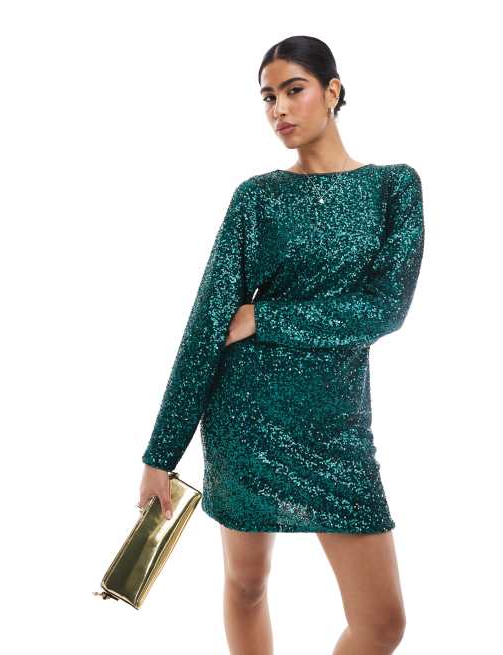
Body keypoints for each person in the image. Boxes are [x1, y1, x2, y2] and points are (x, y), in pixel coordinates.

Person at [138, 35, 424, 655]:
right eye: (268, 97)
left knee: (383, 622)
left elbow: (384, 309)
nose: (280, 109)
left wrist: (266, 318)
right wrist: (161, 453)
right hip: (246, 416)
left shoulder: (393, 188)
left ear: (332, 90)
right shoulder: (257, 198)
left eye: (294, 90)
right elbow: (206, 326)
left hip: (337, 428)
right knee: (247, 584)